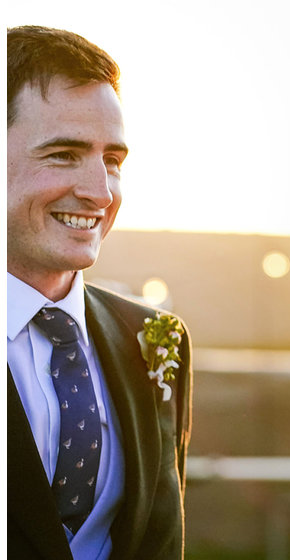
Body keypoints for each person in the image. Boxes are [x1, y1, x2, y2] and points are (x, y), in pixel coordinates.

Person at [7, 26, 192, 560]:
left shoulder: (156, 340)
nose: (100, 192)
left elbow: (159, 539)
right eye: (64, 154)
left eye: (112, 160)